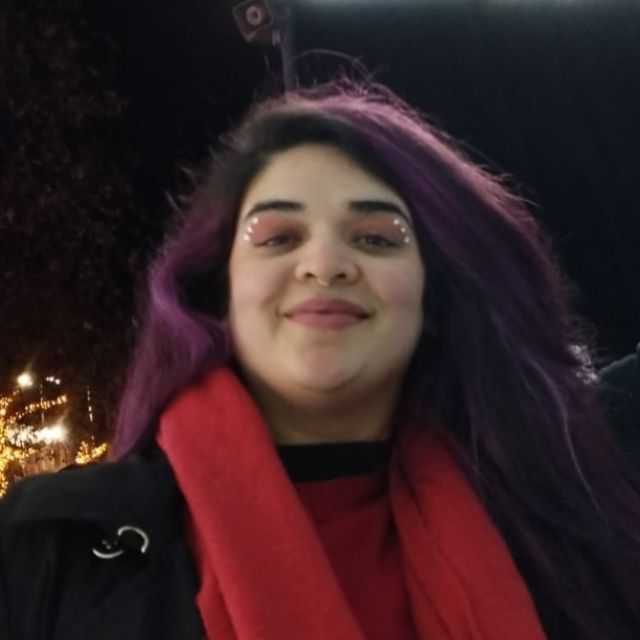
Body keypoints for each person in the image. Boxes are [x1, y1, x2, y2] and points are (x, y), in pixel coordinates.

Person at [1, 72, 639, 640]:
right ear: (219, 290)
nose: (326, 264)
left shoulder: (569, 532)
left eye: (377, 238)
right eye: (278, 237)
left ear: (435, 294)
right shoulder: (45, 548)